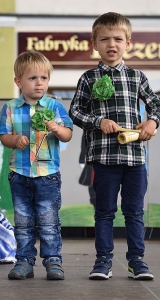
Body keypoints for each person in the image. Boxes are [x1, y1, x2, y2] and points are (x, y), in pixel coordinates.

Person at [69, 12, 159, 281]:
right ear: (94, 43)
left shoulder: (137, 76)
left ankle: (137, 261)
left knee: (134, 212)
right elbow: (75, 111)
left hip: (134, 159)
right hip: (103, 158)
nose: (112, 44)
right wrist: (98, 121)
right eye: (105, 39)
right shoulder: (88, 78)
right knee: (104, 212)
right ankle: (103, 261)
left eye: (118, 39)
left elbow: (155, 104)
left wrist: (152, 123)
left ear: (128, 43)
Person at [0, 50, 73, 280]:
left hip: (47, 174)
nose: (39, 83)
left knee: (49, 221)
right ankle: (24, 261)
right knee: (22, 221)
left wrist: (57, 129)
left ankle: (53, 261)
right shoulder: (9, 108)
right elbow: (3, 136)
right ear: (18, 81)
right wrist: (15, 140)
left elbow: (68, 134)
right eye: (32, 78)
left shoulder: (55, 106)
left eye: (44, 78)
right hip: (19, 173)